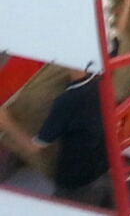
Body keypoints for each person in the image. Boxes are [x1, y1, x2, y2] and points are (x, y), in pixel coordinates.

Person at [0, 67, 111, 205]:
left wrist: (7, 123)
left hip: (73, 180)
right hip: (99, 168)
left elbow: (34, 147)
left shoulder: (67, 102)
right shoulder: (101, 86)